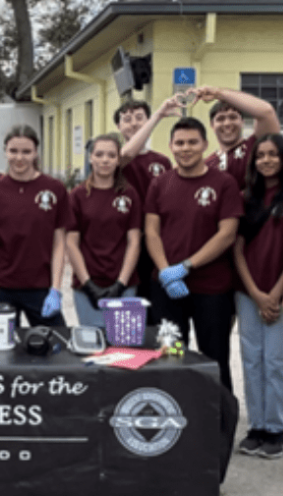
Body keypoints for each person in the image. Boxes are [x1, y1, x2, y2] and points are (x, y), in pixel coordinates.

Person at [145, 117, 242, 391]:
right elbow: (152, 232)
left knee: (215, 358)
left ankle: (220, 423)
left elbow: (227, 234)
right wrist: (166, 271)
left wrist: (185, 266)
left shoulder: (224, 183)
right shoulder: (160, 183)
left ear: (204, 145)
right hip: (166, 287)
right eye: (179, 143)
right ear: (171, 147)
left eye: (192, 142)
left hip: (212, 288)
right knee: (171, 356)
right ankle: (179, 418)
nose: (185, 148)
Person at [233, 134, 283, 459]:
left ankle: (277, 428)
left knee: (276, 362)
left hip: (281, 292)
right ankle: (256, 426)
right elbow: (238, 250)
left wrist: (275, 293)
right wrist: (256, 293)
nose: (267, 160)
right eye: (261, 155)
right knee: (252, 360)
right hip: (249, 292)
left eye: (273, 154)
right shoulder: (246, 198)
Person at [0, 125, 69, 328]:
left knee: (59, 346)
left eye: (26, 151)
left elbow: (59, 243)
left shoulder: (55, 189)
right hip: (2, 287)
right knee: (2, 353)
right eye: (13, 151)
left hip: (41, 288)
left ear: (36, 152)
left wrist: (56, 288)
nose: (19, 157)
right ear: (5, 152)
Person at [66, 134, 141, 327]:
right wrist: (88, 284)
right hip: (86, 286)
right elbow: (71, 243)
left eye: (111, 155)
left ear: (118, 159)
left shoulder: (129, 194)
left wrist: (121, 283)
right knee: (94, 348)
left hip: (123, 285)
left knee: (122, 348)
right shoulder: (77, 196)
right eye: (99, 154)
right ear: (90, 157)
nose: (105, 160)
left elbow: (134, 241)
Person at [115, 98, 176, 317]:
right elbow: (127, 154)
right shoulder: (115, 160)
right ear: (118, 127)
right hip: (126, 244)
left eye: (140, 118)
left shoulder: (163, 161)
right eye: (127, 119)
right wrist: (159, 115)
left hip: (157, 242)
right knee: (130, 306)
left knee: (157, 306)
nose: (133, 124)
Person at [192, 86, 280, 190]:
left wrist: (219, 93)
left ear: (242, 122)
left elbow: (267, 112)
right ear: (212, 125)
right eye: (220, 119)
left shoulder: (256, 146)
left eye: (233, 117)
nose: (227, 123)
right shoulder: (207, 165)